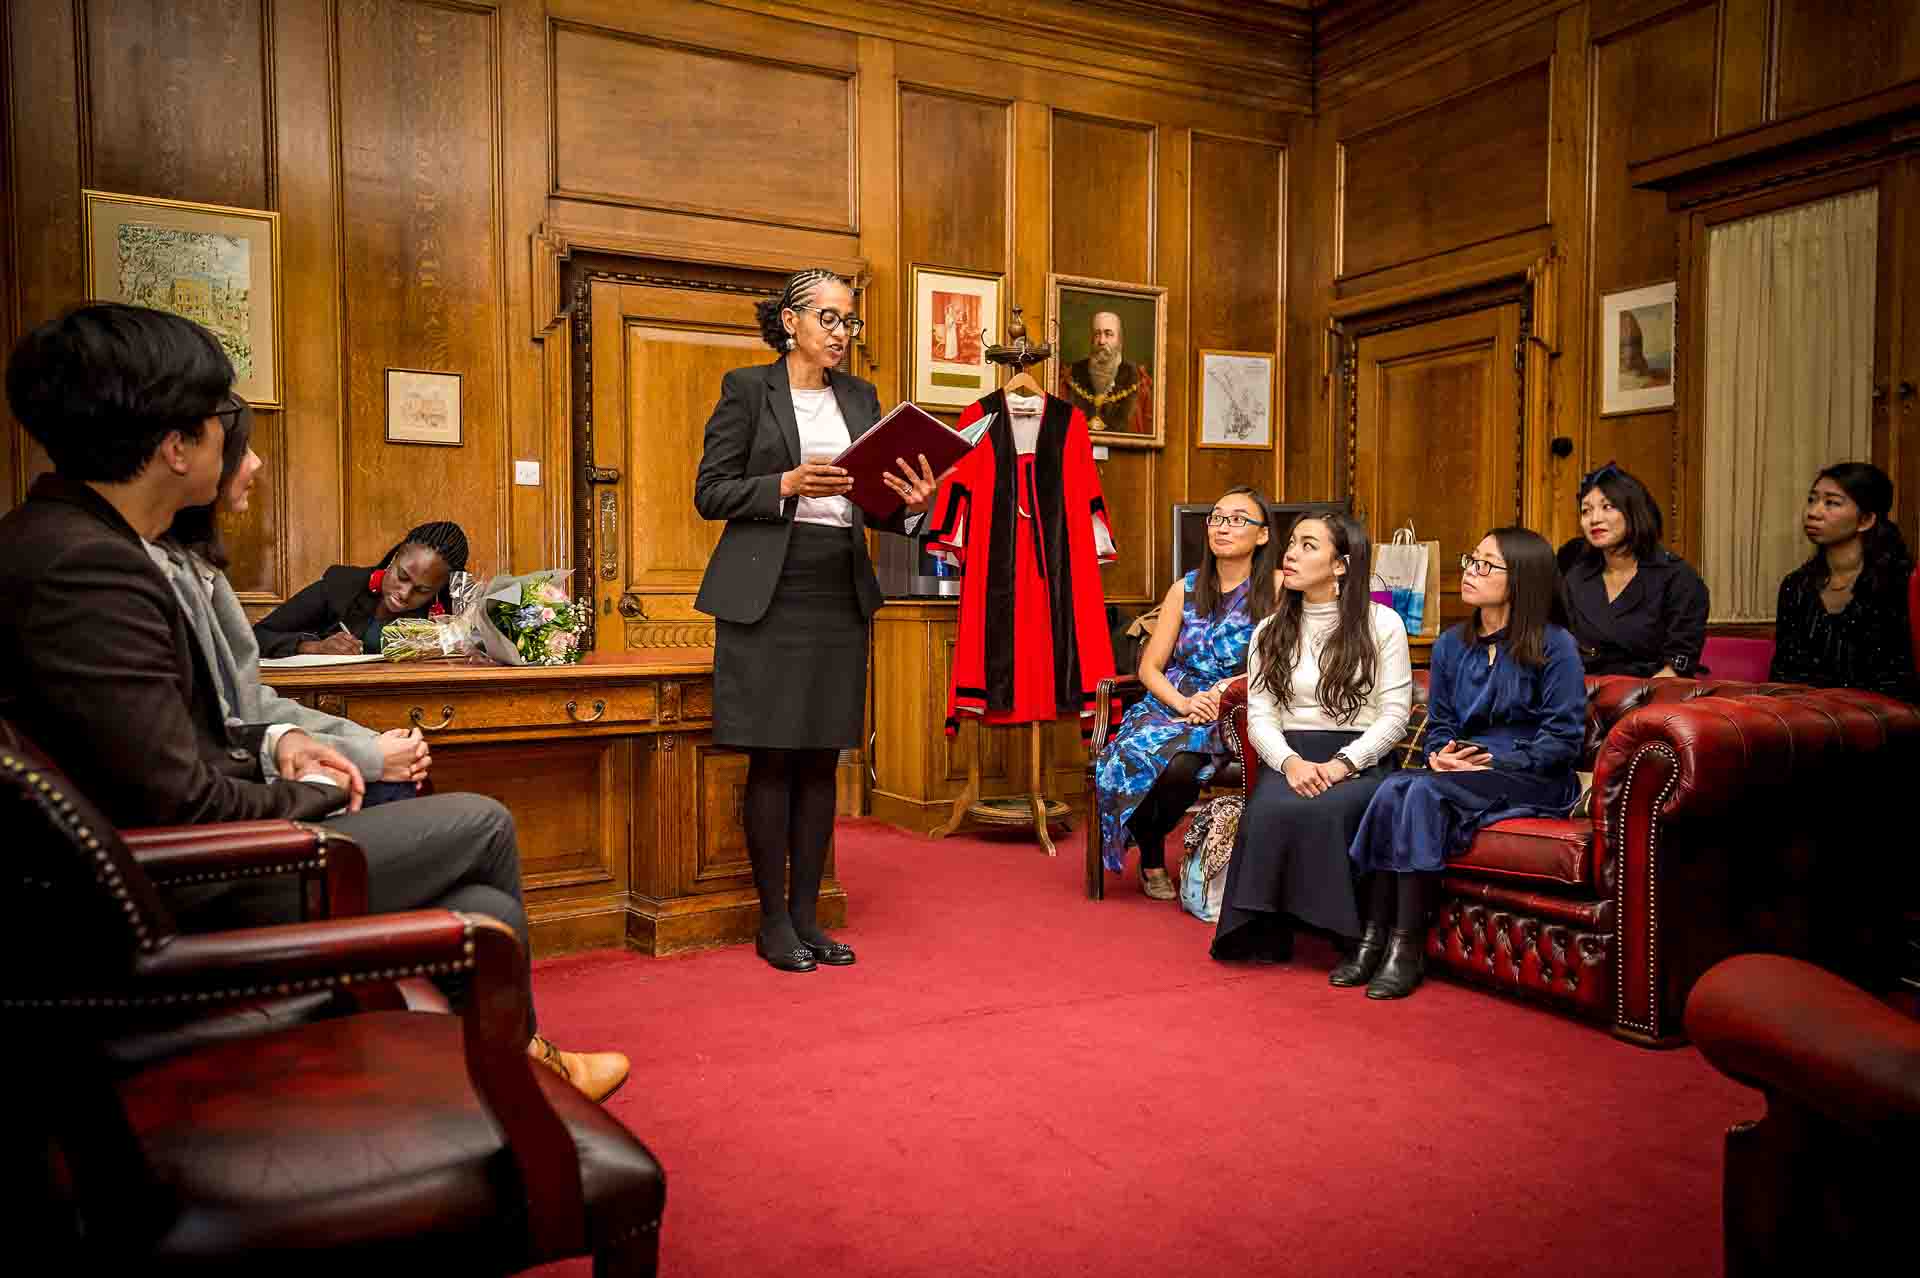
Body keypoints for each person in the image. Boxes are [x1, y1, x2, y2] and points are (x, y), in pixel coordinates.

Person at [0, 302, 627, 1100]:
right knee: (482, 822)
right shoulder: (87, 572)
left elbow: (166, 752)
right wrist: (318, 790)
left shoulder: (61, 541)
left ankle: (515, 1075)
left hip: (152, 871)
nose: (239, 444)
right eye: (223, 417)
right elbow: (182, 804)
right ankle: (524, 1077)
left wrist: (283, 750)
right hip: (176, 892)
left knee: (475, 903)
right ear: (175, 444)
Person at [693, 268, 937, 973]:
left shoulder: (861, 397)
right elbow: (710, 491)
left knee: (823, 757)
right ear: (790, 320)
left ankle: (808, 917)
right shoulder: (746, 389)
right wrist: (787, 485)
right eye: (829, 319)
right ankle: (773, 922)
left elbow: (884, 504)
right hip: (768, 586)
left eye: (849, 322)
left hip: (837, 582)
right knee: (773, 757)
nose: (841, 333)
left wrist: (914, 502)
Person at [1342, 527, 1586, 1000]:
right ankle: (1372, 938)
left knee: (1420, 790)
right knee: (1393, 786)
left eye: (1486, 565)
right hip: (1460, 772)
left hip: (1533, 776)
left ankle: (1405, 949)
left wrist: (1491, 759)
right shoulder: (1453, 644)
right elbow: (1442, 723)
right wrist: (1440, 752)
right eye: (1471, 560)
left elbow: (1563, 739)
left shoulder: (1556, 645)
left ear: (1522, 579)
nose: (1470, 572)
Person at [159, 396, 431, 806]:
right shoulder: (339, 585)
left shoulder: (198, 569)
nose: (256, 464)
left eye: (422, 590)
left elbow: (249, 705)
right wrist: (364, 755)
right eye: (241, 450)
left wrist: (368, 741)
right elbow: (226, 727)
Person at [1211, 513, 1412, 962]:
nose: (1290, 554)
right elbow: (1261, 717)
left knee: (1324, 809)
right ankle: (1266, 931)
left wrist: (1342, 764)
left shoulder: (1383, 624)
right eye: (1292, 544)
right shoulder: (1269, 630)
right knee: (1271, 806)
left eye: (1308, 545)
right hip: (1292, 757)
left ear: (1340, 565)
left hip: (1358, 758)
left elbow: (1395, 717)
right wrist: (1289, 763)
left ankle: (1343, 935)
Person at [1092, 487, 1278, 899]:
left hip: (1237, 706)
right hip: (1172, 700)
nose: (1223, 527)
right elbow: (1149, 667)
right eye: (1217, 518)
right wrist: (1183, 703)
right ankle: (1153, 851)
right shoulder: (1187, 588)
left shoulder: (1278, 590)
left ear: (1262, 535)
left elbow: (1282, 663)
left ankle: (1151, 843)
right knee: (1129, 753)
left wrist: (1221, 696)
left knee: (1179, 766)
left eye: (1237, 520)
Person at [1770, 461, 1917, 699]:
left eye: (1831, 503)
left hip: (1884, 718)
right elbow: (1784, 672)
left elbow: (1897, 675)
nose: (1813, 512)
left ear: (1866, 520)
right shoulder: (1796, 585)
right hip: (1805, 718)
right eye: (1811, 500)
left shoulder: (1900, 582)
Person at [1557, 462, 1708, 678]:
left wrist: (1631, 705)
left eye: (1607, 506)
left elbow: (1676, 667)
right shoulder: (1576, 575)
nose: (1594, 519)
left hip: (1652, 699)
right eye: (1586, 510)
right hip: (1581, 696)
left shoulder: (1679, 579)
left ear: (1633, 510)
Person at [253, 519, 470, 657]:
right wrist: (313, 647)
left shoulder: (452, 615)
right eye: (402, 576)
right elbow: (258, 636)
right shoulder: (341, 586)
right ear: (394, 558)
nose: (404, 593)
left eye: (422, 591)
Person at [1058, 310, 1153, 436]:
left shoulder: (1139, 381)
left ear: (1120, 340)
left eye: (1108, 334)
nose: (1101, 341)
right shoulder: (1069, 377)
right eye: (1097, 334)